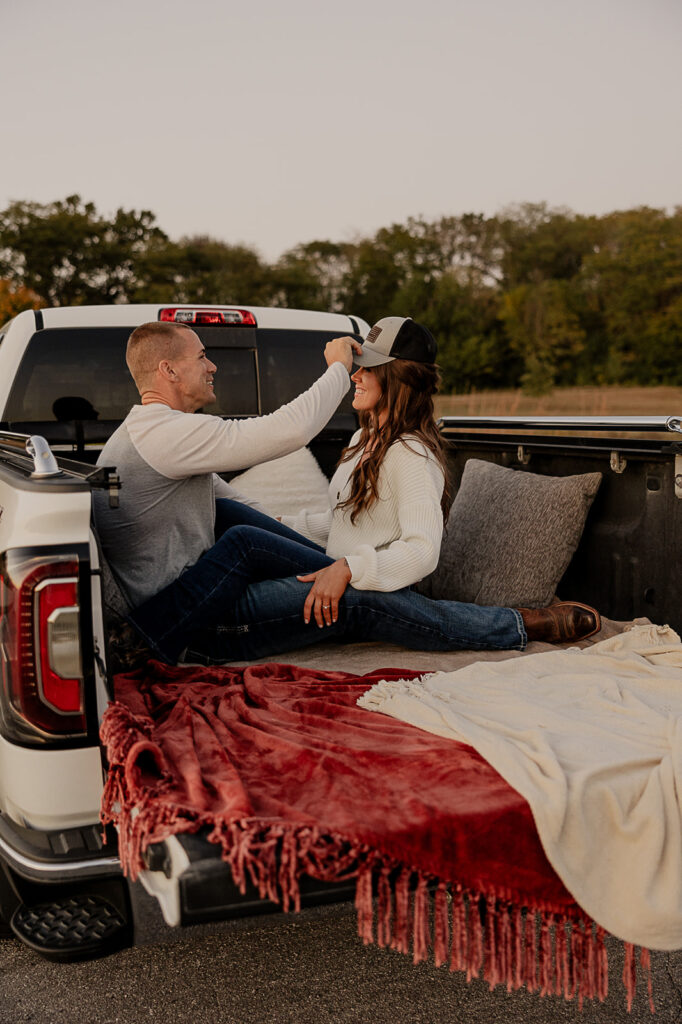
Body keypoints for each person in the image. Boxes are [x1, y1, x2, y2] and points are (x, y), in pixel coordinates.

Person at [113, 316, 600, 666]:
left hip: (358, 581)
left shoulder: (410, 454)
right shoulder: (358, 440)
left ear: (398, 377)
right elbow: (342, 517)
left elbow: (420, 550)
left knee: (334, 584)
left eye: (367, 367)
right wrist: (296, 538)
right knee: (243, 533)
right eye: (203, 357)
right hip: (214, 609)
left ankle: (515, 625)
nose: (356, 374)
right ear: (169, 371)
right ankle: (150, 636)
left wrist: (346, 567)